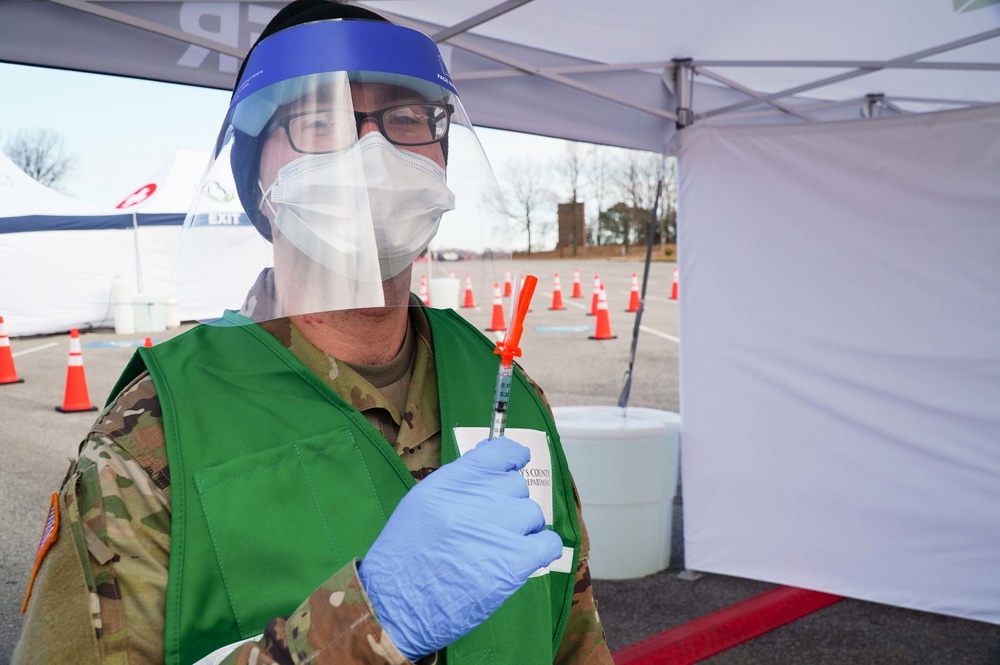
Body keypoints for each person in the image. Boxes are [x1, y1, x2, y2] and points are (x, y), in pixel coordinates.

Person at [13, 2, 614, 664]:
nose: (374, 149)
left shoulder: (506, 390)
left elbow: (573, 639)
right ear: (259, 174)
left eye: (408, 117)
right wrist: (365, 624)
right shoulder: (156, 433)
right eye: (319, 120)